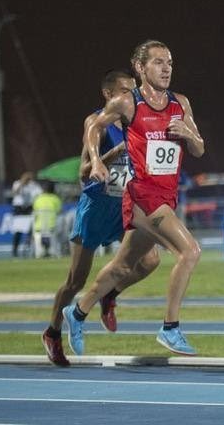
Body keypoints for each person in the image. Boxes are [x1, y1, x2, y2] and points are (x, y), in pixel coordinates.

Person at [63, 40, 205, 356]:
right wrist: (97, 160)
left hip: (167, 195)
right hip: (141, 196)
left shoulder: (180, 103)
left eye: (170, 62)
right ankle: (170, 328)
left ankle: (78, 312)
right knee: (190, 251)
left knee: (121, 266)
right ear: (140, 68)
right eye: (158, 62)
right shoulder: (129, 103)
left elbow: (199, 149)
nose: (166, 68)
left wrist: (188, 134)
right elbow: (94, 127)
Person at [41, 70, 161, 367]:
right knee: (74, 281)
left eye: (134, 91)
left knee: (151, 260)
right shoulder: (98, 122)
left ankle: (110, 294)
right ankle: (53, 332)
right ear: (108, 95)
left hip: (124, 206)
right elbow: (82, 172)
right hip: (95, 207)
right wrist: (113, 154)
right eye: (125, 91)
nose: (131, 96)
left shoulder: (137, 120)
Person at [10, 171, 43, 256]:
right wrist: (22, 183)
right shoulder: (17, 183)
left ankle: (29, 249)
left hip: (29, 208)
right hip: (19, 208)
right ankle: (15, 250)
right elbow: (14, 193)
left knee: (30, 230)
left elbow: (40, 194)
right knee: (18, 231)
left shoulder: (33, 185)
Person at [31, 182, 63, 258]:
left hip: (38, 227)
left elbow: (34, 212)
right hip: (52, 227)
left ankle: (39, 253)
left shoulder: (37, 199)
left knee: (37, 235)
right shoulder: (56, 199)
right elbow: (59, 212)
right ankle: (54, 252)